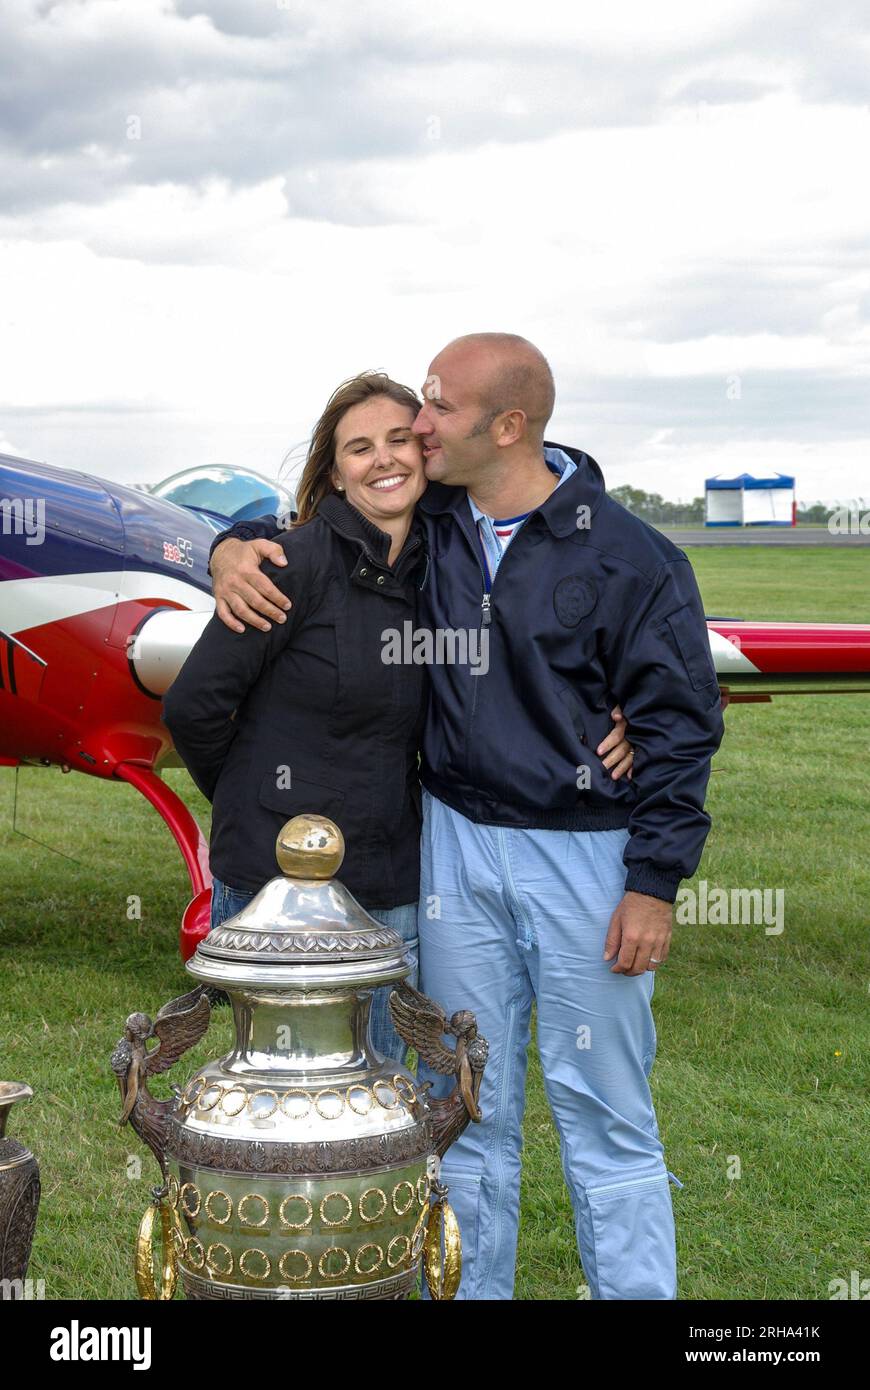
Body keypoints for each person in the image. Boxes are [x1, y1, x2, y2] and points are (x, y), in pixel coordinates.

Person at [207, 334, 719, 1300]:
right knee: (465, 1105)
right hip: (452, 849)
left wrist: (654, 885)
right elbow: (305, 524)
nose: (419, 426)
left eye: (437, 407)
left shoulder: (636, 559)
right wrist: (227, 547)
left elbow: (683, 730)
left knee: (603, 1108)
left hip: (587, 857)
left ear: (508, 426)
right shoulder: (433, 522)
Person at [164, 368, 633, 1066]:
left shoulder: (445, 572)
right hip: (275, 883)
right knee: (279, 1093)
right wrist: (250, 799)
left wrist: (622, 698)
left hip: (390, 883)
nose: (383, 458)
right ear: (337, 472)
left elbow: (518, 466)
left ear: (427, 454)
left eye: (397, 440)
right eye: (359, 448)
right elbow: (193, 706)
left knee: (377, 1088)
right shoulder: (284, 565)